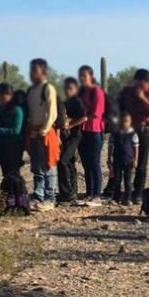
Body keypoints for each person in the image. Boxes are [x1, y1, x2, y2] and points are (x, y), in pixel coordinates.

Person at [118, 69, 149, 204]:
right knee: (125, 161)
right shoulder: (129, 91)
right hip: (129, 130)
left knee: (141, 164)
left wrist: (142, 98)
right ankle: (125, 192)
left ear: (146, 82)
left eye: (140, 83)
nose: (137, 85)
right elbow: (121, 105)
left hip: (144, 130)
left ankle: (138, 194)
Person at [26, 58, 60, 211]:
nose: (32, 73)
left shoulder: (48, 88)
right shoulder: (31, 91)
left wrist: (44, 130)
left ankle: (50, 198)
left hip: (45, 132)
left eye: (35, 70)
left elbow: (52, 112)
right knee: (36, 166)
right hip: (33, 131)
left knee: (49, 165)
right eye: (31, 70)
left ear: (43, 71)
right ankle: (38, 195)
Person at [78, 65, 106, 206]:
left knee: (94, 162)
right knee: (86, 163)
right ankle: (89, 192)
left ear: (91, 75)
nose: (82, 78)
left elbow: (96, 113)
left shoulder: (97, 91)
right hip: (83, 131)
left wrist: (78, 120)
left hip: (95, 130)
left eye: (84, 75)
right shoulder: (82, 93)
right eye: (80, 75)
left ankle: (97, 195)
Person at [58, 77, 87, 205]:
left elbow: (84, 117)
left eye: (70, 88)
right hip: (66, 135)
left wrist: (70, 124)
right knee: (69, 162)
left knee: (63, 161)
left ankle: (67, 193)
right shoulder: (66, 102)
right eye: (66, 88)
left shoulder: (78, 101)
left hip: (76, 134)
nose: (67, 91)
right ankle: (72, 191)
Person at [0, 83, 25, 177]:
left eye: (1, 95)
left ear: (9, 95)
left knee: (13, 173)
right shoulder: (0, 109)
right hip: (3, 146)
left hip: (14, 146)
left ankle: (16, 191)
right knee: (5, 173)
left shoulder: (17, 110)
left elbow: (16, 130)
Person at [108, 112, 139, 205]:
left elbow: (136, 148)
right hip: (117, 159)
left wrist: (135, 159)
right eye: (122, 121)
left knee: (128, 180)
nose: (124, 123)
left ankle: (127, 198)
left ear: (130, 122)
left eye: (126, 121)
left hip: (128, 160)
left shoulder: (133, 134)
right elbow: (110, 146)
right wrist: (109, 159)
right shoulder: (115, 134)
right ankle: (116, 198)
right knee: (117, 179)